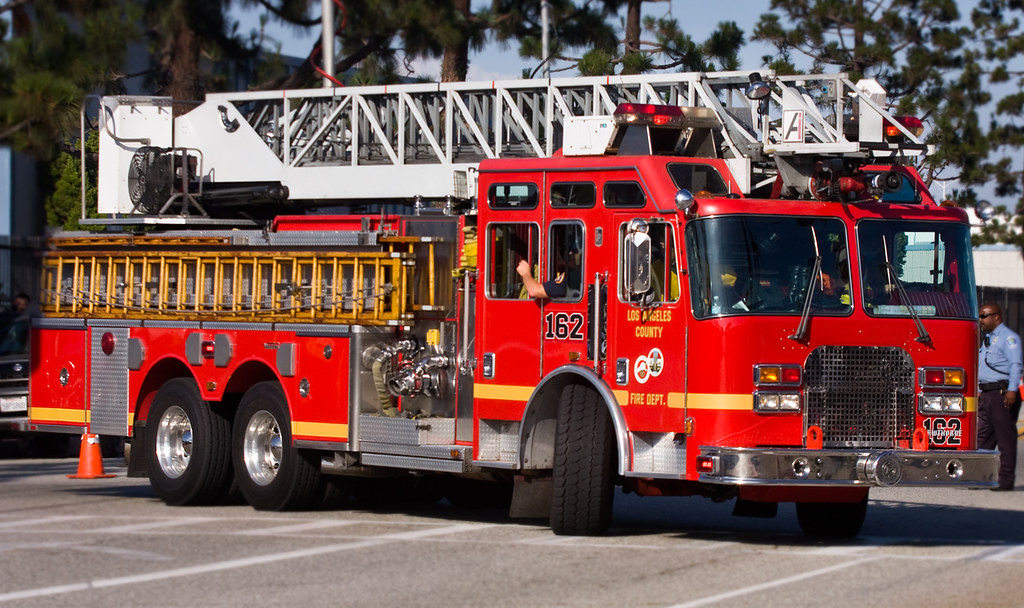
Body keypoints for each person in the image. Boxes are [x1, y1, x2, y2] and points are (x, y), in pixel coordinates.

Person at [977, 302, 1022, 491]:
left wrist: (1012, 390)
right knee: (983, 438)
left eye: (984, 316)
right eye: (980, 316)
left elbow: (1015, 365)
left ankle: (1005, 480)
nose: (980, 320)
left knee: (1005, 439)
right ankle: (978, 477)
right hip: (987, 394)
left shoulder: (1009, 338)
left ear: (997, 316)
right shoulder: (987, 339)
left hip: (1003, 394)